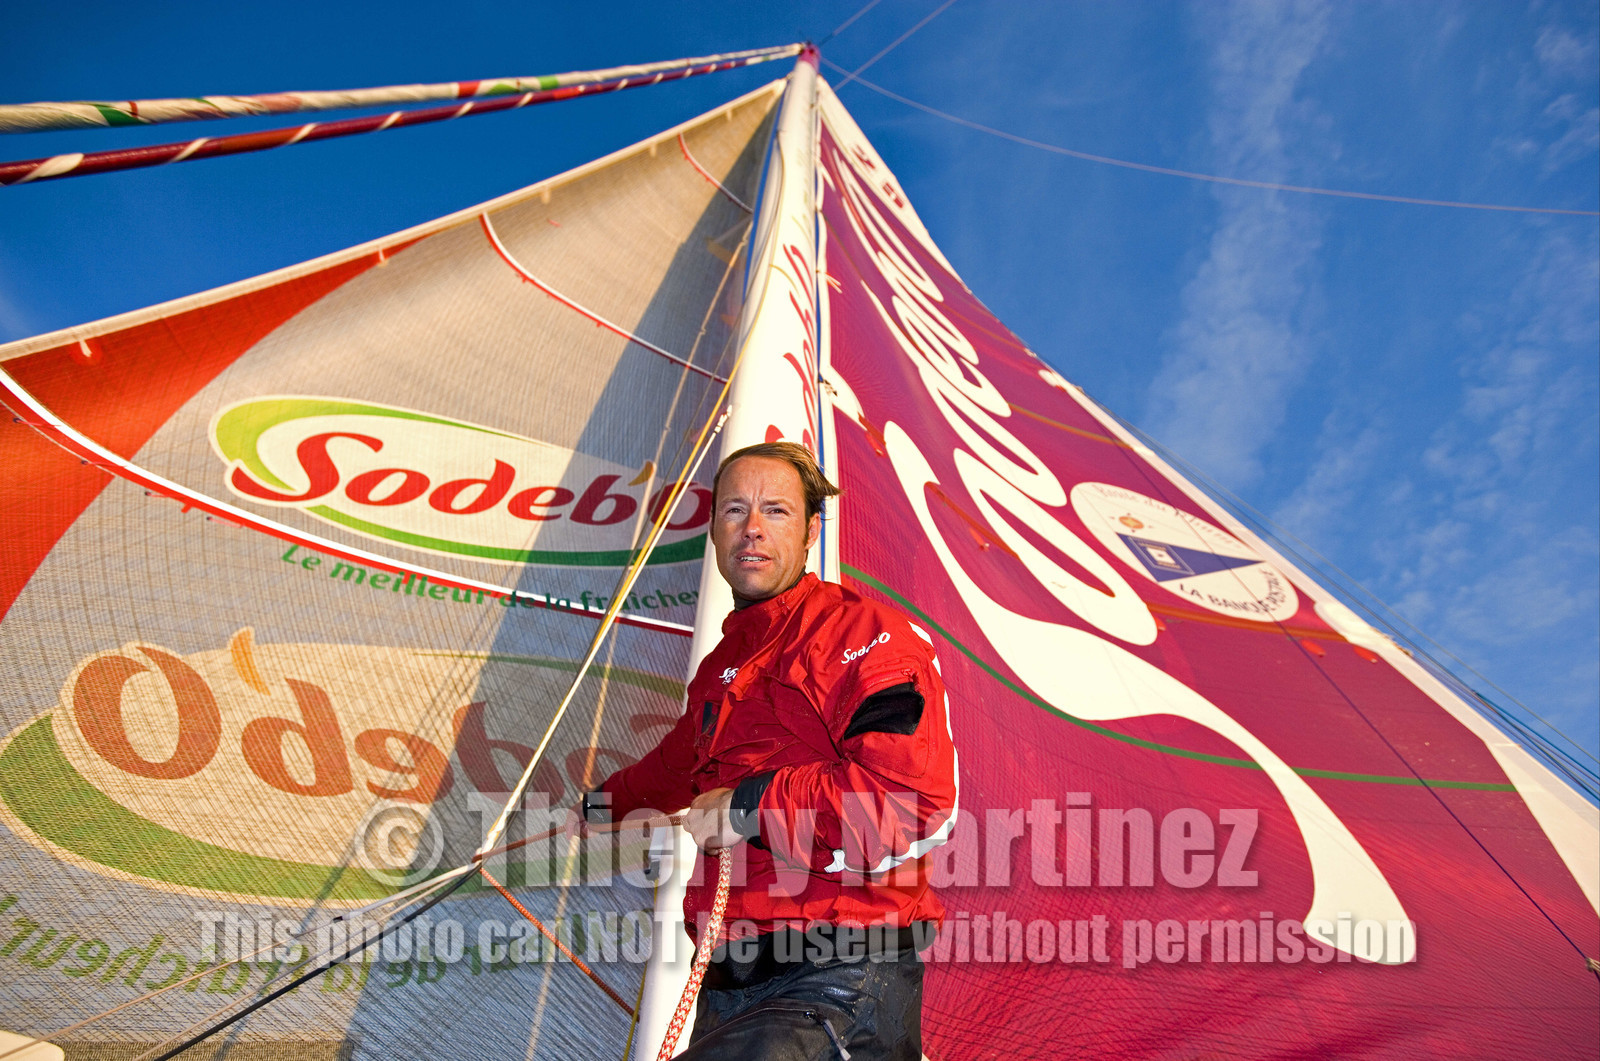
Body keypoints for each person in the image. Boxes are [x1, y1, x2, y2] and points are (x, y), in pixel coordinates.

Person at [582, 441, 958, 1061]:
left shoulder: (864, 636)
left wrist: (746, 806)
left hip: (838, 972)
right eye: (734, 510)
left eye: (775, 511)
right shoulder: (722, 667)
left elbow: (908, 800)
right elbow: (676, 766)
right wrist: (599, 807)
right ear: (712, 529)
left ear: (812, 529)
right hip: (732, 983)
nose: (752, 529)